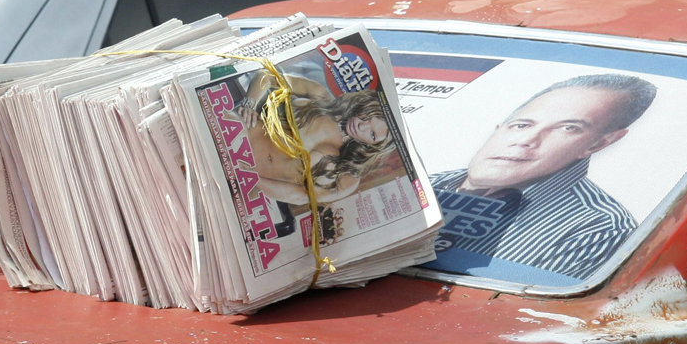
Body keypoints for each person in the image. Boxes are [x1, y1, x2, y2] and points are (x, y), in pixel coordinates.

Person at [429, 73, 656, 280]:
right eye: (521, 125)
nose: (525, 140)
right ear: (499, 128)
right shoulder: (423, 183)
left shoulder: (597, 228)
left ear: (599, 143)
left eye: (567, 128)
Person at [233, 71, 397, 206]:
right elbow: (267, 76)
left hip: (247, 182)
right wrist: (249, 104)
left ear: (374, 146)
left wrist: (254, 180)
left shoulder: (349, 177)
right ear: (364, 105)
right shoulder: (320, 97)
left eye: (372, 134)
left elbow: (302, 197)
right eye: (367, 116)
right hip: (237, 135)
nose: (362, 126)